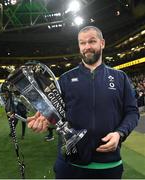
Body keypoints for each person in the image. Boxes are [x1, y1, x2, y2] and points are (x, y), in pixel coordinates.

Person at [27, 26, 139, 179]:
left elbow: (132, 112)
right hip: (69, 166)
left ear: (102, 43)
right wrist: (46, 118)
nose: (87, 47)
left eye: (92, 41)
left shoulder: (120, 77)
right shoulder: (65, 80)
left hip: (109, 165)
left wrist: (120, 134)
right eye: (82, 43)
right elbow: (57, 115)